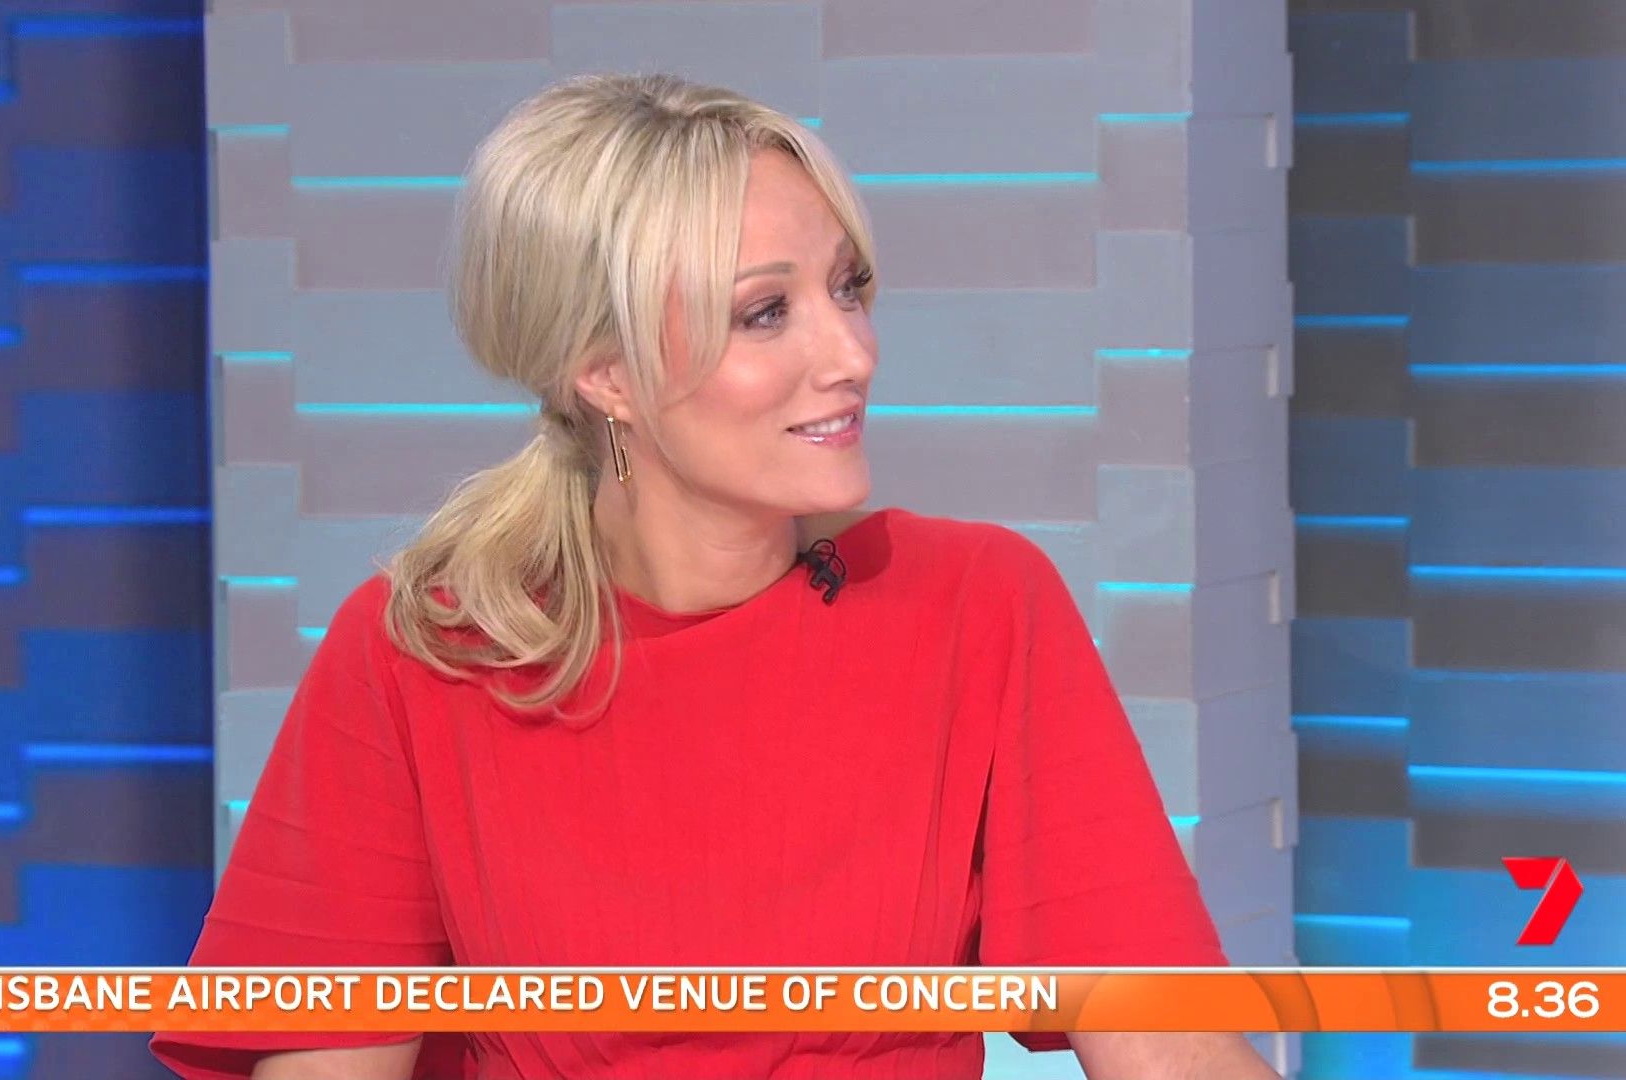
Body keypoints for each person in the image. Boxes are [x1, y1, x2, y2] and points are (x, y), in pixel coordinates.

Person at [152, 73, 1278, 1080]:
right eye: (766, 312)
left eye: (848, 288)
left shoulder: (978, 606)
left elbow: (1167, 1047)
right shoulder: (426, 651)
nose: (852, 354)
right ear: (605, 371)